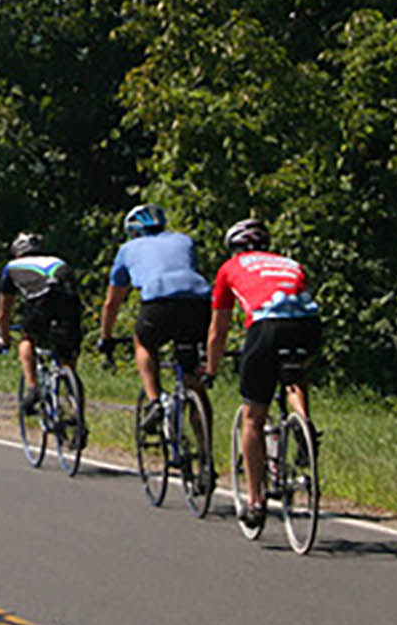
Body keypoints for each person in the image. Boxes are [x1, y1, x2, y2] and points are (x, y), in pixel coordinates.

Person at [205, 217, 323, 528]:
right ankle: (303, 421)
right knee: (295, 373)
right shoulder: (290, 263)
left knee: (253, 417)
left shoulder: (230, 268)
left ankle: (256, 501)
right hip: (310, 327)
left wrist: (212, 369)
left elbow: (219, 329)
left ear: (234, 248)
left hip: (266, 327)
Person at [96, 203, 213, 441]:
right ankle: (206, 453)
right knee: (193, 380)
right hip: (198, 303)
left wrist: (106, 336)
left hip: (157, 302)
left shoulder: (127, 249)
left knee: (144, 343)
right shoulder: (184, 240)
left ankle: (154, 401)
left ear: (134, 231)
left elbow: (112, 302)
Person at [0, 231, 83, 416]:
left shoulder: (12, 267)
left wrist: (4, 338)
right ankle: (75, 407)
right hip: (70, 303)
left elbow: (4, 312)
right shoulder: (59, 261)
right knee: (67, 357)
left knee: (27, 339)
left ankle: (32, 387)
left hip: (40, 302)